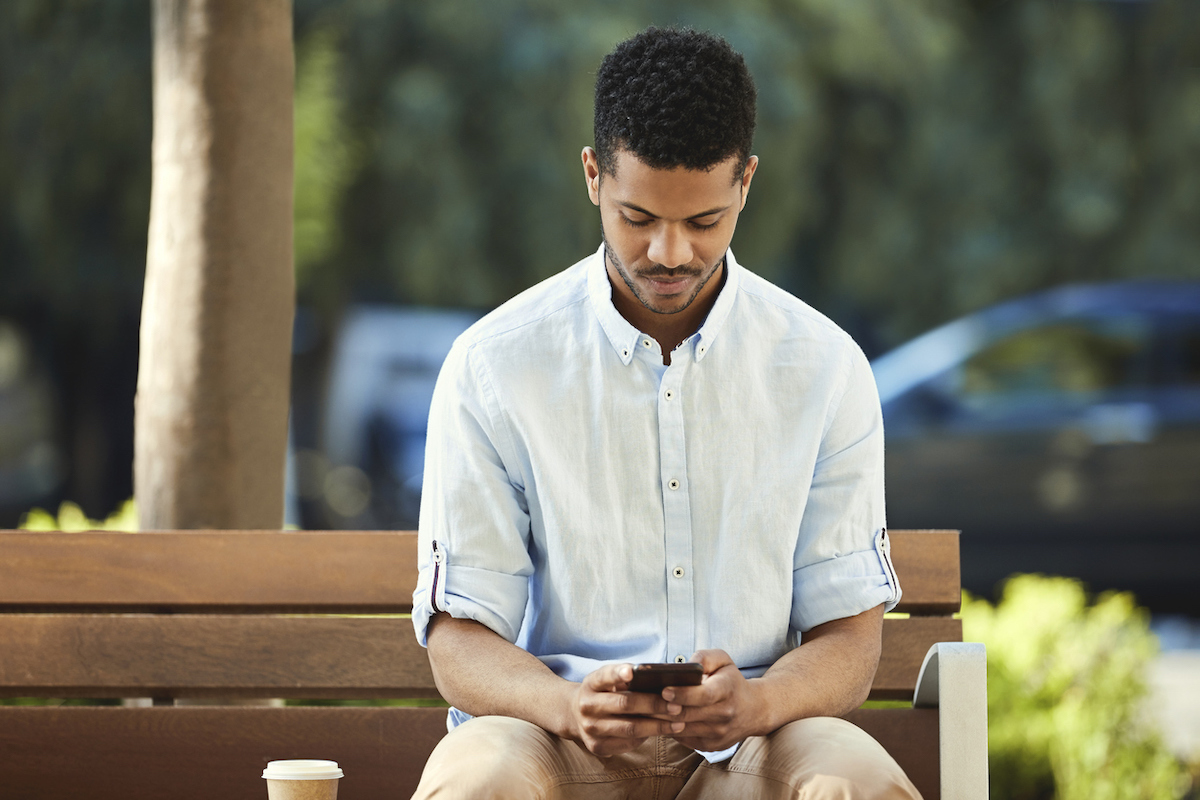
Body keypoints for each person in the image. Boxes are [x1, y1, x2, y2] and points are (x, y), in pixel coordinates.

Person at [410, 26, 921, 800]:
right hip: (554, 743)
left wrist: (758, 702)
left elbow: (849, 639)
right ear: (592, 175)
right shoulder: (494, 366)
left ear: (746, 182)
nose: (671, 253)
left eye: (705, 222)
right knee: (480, 781)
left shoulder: (824, 367)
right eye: (638, 218)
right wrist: (564, 703)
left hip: (752, 744)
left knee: (853, 783)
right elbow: (457, 639)